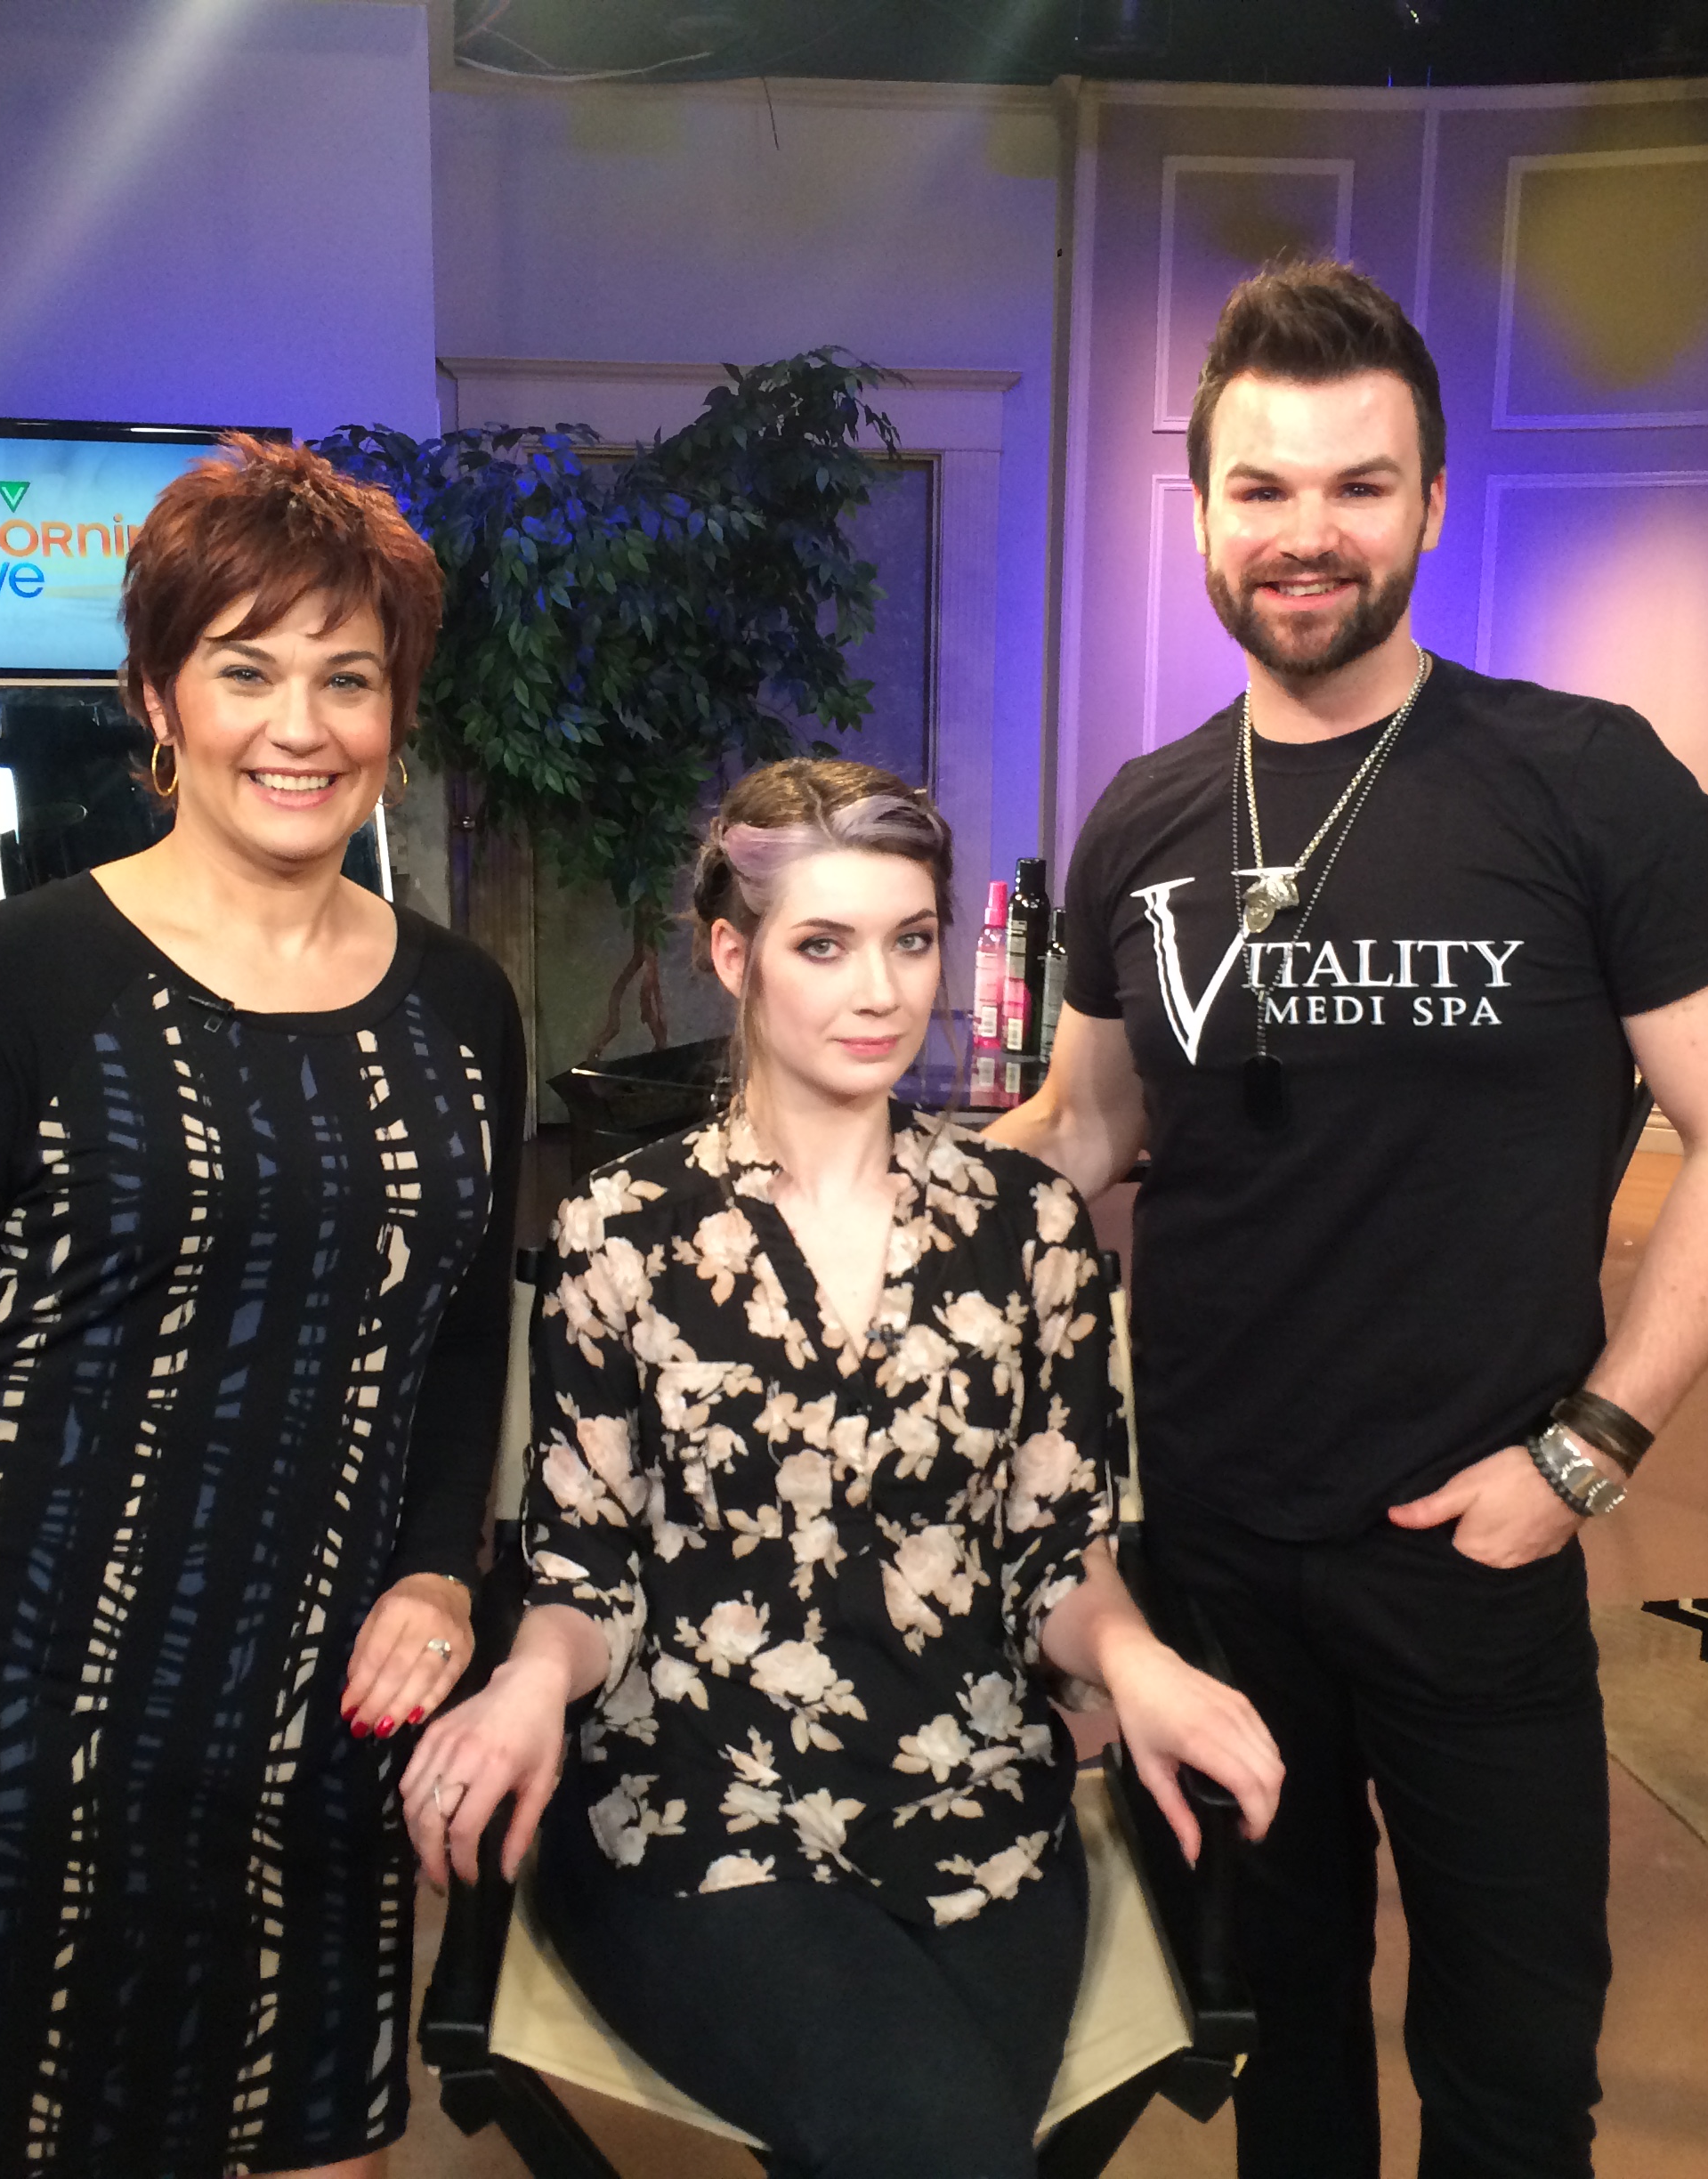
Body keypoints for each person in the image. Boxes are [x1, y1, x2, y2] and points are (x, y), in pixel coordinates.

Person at [991, 259, 1708, 2176]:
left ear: (1432, 505)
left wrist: (1589, 1451)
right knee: (1279, 2038)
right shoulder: (1146, 816)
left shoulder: (1583, 780)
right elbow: (1087, 1128)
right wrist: (815, 1178)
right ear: (1204, 515)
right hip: (1214, 1544)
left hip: (1476, 1541)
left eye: (1359, 485)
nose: (1308, 532)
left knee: (1516, 2061)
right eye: (1263, 488)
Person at [0, 433, 527, 2179]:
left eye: (349, 678)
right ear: (157, 700)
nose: (300, 725)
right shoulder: (14, 984)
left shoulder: (460, 1007)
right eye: (246, 670)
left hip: (303, 1756)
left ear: (396, 712)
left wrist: (441, 1568)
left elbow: (456, 1337)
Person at [403, 759, 1284, 2176]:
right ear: (733, 955)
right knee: (942, 2144)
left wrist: (1141, 1666)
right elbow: (584, 1575)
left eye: (911, 939)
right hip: (693, 1812)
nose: (881, 991)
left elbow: (1058, 1561)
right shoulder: (621, 1230)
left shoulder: (1029, 1226)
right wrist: (521, 1684)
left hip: (975, 1805)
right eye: (824, 945)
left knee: (934, 2140)